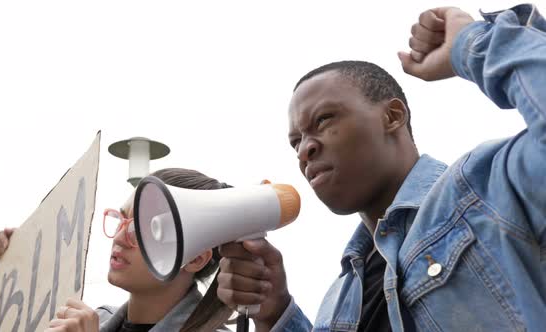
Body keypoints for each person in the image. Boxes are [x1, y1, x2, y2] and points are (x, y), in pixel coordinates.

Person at [216, 3, 546, 331]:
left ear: (392, 116)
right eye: (295, 142)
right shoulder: (337, 301)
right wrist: (276, 313)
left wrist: (471, 43)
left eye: (324, 119)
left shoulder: (485, 193)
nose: (305, 149)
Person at [0, 168, 233, 332]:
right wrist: (18, 261)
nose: (119, 237)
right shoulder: (93, 321)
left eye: (142, 229)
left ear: (195, 259)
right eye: (121, 220)